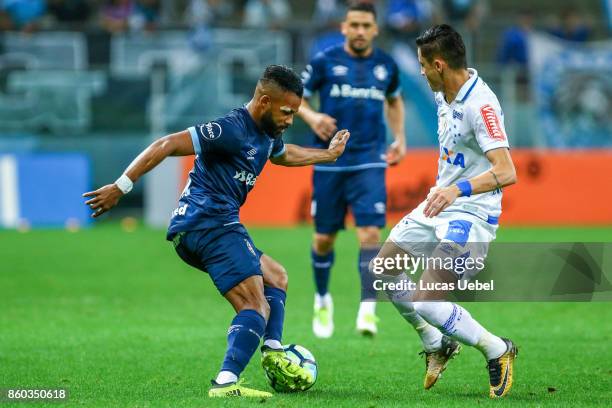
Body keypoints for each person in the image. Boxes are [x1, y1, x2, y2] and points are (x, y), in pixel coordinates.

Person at [83, 65, 350, 398]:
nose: (291, 120)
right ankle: (226, 382)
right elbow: (166, 144)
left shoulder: (267, 135)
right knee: (255, 306)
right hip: (207, 223)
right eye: (286, 111)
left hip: (211, 226)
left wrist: (329, 155)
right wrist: (121, 186)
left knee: (276, 277)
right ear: (265, 101)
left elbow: (282, 155)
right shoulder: (230, 129)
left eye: (295, 112)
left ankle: (273, 351)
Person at [373, 24, 518, 397]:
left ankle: (497, 349)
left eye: (423, 64)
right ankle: (436, 343)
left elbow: (507, 171)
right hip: (440, 204)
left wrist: (458, 189)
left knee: (429, 299)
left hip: (471, 214)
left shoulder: (480, 105)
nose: (420, 71)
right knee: (383, 270)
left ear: (439, 64)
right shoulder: (443, 93)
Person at [298, 1, 406, 338]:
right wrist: (312, 116)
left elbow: (394, 99)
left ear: (375, 29)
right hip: (329, 161)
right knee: (323, 238)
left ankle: (368, 309)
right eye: (354, 25)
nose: (359, 31)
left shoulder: (386, 65)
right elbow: (296, 97)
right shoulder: (324, 62)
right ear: (343, 27)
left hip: (370, 160)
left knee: (370, 234)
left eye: (365, 26)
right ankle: (322, 298)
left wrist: (400, 138)